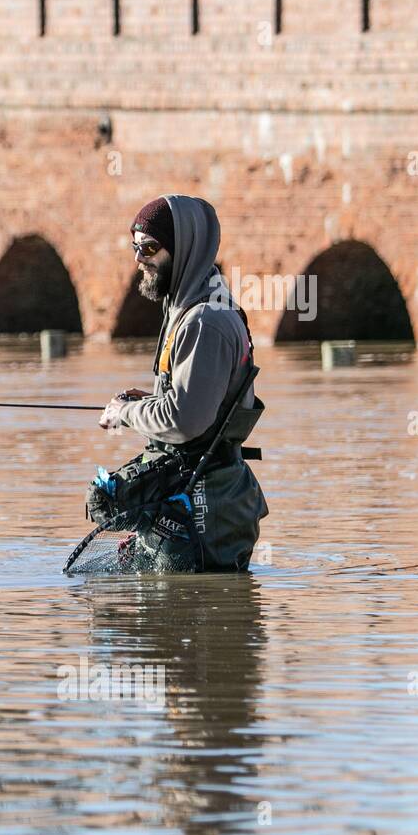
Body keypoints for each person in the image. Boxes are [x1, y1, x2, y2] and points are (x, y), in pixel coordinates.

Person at [90, 194, 268, 572]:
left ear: (184, 248)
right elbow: (189, 403)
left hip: (208, 509)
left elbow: (185, 419)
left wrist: (127, 412)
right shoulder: (190, 308)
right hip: (193, 493)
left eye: (151, 248)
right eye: (135, 247)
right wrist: (148, 401)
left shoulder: (205, 320)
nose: (139, 258)